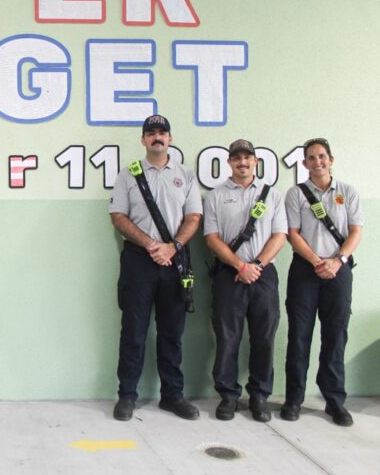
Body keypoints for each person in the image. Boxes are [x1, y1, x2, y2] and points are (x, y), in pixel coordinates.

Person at [109, 115, 202, 421]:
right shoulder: (128, 175)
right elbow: (119, 217)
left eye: (162, 132)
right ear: (143, 140)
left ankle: (172, 396)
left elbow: (193, 219)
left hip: (175, 261)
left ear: (170, 139)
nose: (157, 137)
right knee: (133, 332)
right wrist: (152, 245)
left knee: (172, 332)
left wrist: (171, 247)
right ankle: (127, 396)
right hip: (139, 262)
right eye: (151, 133)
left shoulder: (185, 176)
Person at [203, 139, 287, 422]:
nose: (242, 162)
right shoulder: (215, 196)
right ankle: (228, 396)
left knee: (264, 337)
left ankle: (260, 396)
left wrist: (257, 265)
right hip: (229, 275)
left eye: (247, 158)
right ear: (229, 162)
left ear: (255, 162)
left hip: (263, 275)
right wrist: (240, 265)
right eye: (236, 158)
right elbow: (211, 238)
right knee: (228, 338)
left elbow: (280, 235)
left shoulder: (272, 195)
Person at [282, 138, 363, 426]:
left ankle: (334, 401)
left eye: (322, 157)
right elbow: (293, 233)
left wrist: (337, 261)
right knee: (299, 336)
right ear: (304, 164)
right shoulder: (296, 194)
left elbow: (355, 232)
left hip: (338, 270)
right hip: (306, 271)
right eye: (311, 158)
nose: (317, 162)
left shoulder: (348, 192)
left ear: (331, 159)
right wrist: (317, 261)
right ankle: (294, 399)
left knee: (335, 336)